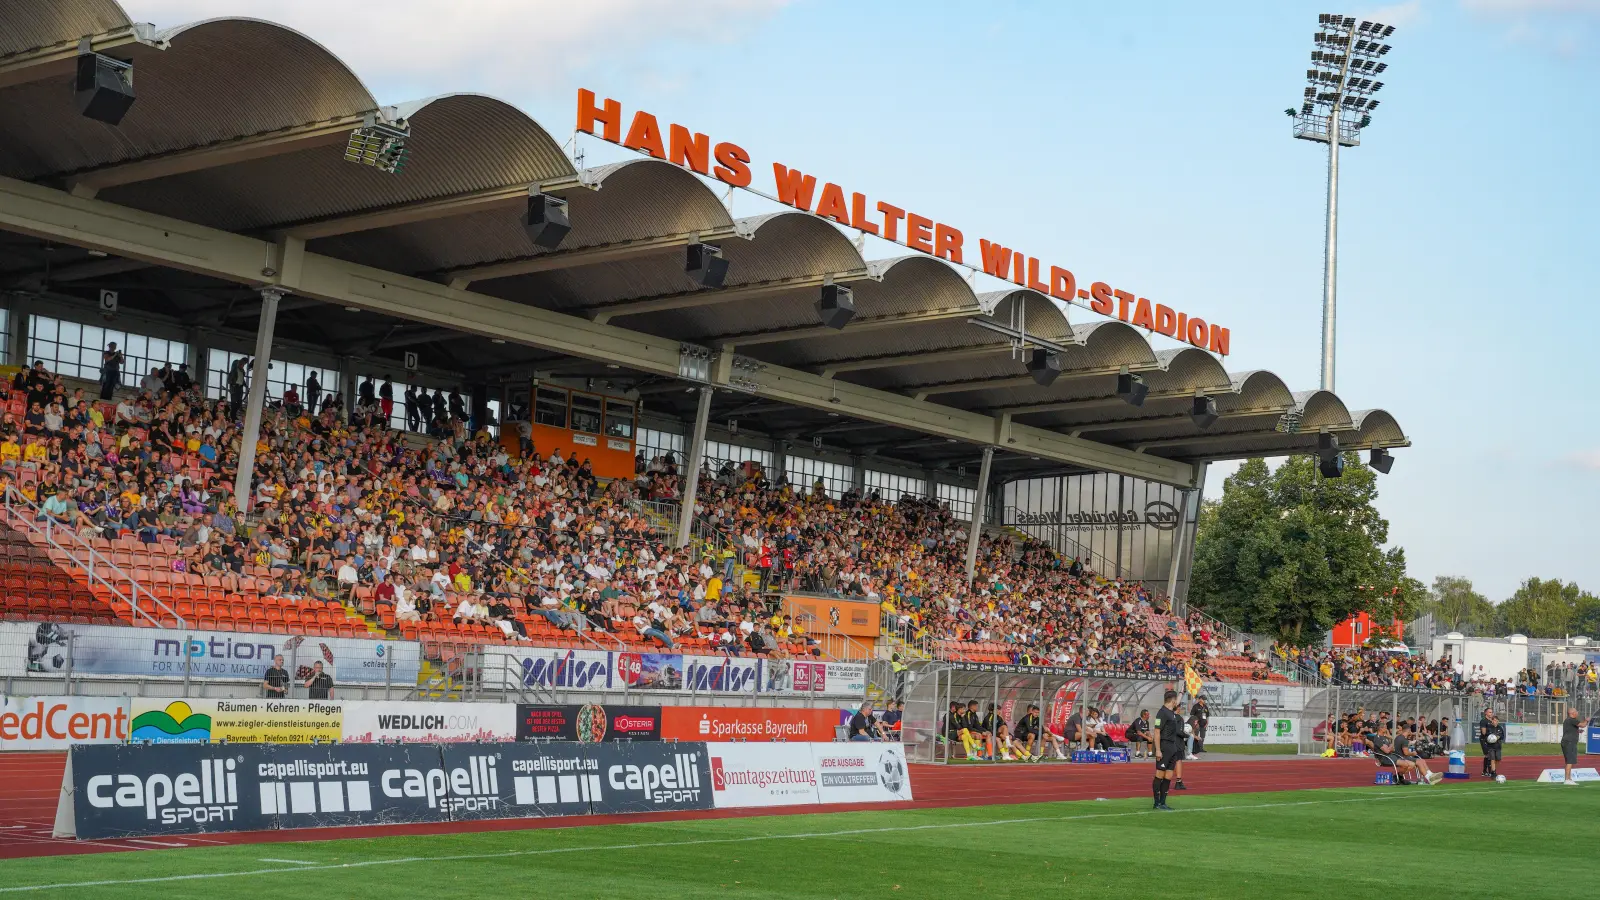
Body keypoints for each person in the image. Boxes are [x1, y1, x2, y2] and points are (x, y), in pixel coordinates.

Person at [1153, 689, 1185, 810]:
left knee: (1168, 776)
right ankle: (1156, 803)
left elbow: (1178, 700)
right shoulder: (1162, 713)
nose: (1177, 702)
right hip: (1164, 746)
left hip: (1173, 747)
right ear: (1172, 701)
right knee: (1159, 775)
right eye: (1176, 700)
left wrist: (1182, 692)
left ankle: (1163, 802)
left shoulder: (1171, 711)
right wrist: (1158, 750)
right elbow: (1156, 732)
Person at [1560, 706, 1587, 785]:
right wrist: (1587, 720)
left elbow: (1570, 730)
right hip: (1570, 742)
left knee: (1569, 761)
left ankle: (1569, 778)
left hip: (1567, 742)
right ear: (1572, 713)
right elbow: (1583, 725)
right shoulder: (1572, 720)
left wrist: (1578, 731)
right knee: (1570, 761)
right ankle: (1567, 779)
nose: (1577, 713)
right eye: (1576, 711)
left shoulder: (1567, 720)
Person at [1478, 707, 1505, 780]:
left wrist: (1497, 737)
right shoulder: (1484, 721)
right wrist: (1490, 737)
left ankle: (1490, 771)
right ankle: (1488, 771)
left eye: (1492, 712)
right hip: (1485, 740)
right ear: (1485, 713)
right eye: (1489, 712)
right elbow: (1484, 733)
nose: (1491, 713)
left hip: (1496, 744)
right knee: (1488, 756)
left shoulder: (1495, 723)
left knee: (1494, 758)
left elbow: (1502, 736)